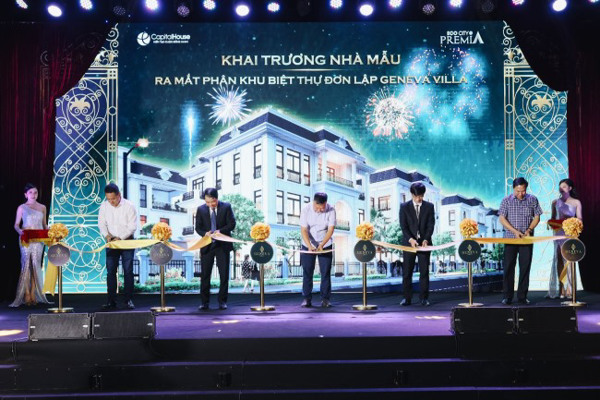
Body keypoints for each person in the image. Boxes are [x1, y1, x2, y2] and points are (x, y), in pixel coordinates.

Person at [498, 177, 543, 305]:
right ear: (513, 188)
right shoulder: (506, 200)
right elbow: (502, 218)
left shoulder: (532, 199)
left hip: (526, 239)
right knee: (508, 267)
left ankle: (522, 296)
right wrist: (514, 231)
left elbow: (537, 217)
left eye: (523, 191)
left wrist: (529, 229)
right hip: (510, 239)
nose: (520, 194)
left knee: (525, 267)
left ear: (526, 188)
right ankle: (507, 296)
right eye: (518, 191)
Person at [10, 183, 51, 307]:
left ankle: (33, 292)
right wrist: (20, 232)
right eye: (31, 192)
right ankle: (26, 293)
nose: (33, 195)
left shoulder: (43, 207)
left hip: (38, 239)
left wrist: (52, 231)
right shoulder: (22, 207)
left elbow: (44, 224)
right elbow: (16, 224)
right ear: (26, 194)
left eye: (35, 192)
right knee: (26, 265)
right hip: (26, 239)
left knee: (35, 265)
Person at [98, 183, 138, 310]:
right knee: (110, 271)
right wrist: (107, 235)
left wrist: (120, 237)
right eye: (108, 199)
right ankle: (111, 301)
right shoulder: (104, 206)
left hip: (127, 240)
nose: (111, 201)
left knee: (128, 270)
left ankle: (128, 300)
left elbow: (132, 227)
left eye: (113, 199)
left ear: (119, 195)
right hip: (112, 242)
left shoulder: (129, 206)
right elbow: (101, 223)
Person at [195, 188, 236, 310]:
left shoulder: (226, 207)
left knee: (224, 275)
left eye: (212, 202)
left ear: (216, 199)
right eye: (207, 202)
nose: (210, 205)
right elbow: (198, 228)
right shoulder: (200, 209)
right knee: (205, 275)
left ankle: (222, 301)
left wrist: (220, 231)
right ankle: (204, 302)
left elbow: (232, 224)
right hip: (207, 246)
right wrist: (205, 233)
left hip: (222, 245)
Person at [399, 182, 435, 306]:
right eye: (417, 196)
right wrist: (410, 239)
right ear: (412, 194)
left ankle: (424, 298)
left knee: (424, 272)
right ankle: (407, 298)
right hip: (409, 244)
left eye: (421, 196)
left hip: (424, 244)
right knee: (407, 272)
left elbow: (431, 225)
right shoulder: (404, 207)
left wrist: (426, 239)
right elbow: (403, 226)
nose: (419, 198)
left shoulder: (429, 207)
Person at [299, 192, 336, 308]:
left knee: (325, 272)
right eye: (317, 208)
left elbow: (330, 229)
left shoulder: (331, 210)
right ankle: (306, 298)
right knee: (307, 271)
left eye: (322, 208)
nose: (320, 210)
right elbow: (304, 229)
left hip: (325, 244)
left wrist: (322, 244)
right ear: (314, 202)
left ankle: (325, 299)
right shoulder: (306, 209)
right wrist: (309, 245)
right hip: (308, 243)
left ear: (326, 203)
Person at [547, 178, 582, 299]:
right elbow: (552, 218)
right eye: (560, 186)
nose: (561, 188)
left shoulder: (576, 202)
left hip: (570, 233)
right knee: (559, 260)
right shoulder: (555, 202)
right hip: (558, 233)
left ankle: (570, 289)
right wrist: (552, 223)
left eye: (564, 186)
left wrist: (573, 224)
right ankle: (561, 288)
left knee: (569, 260)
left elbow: (580, 219)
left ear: (570, 188)